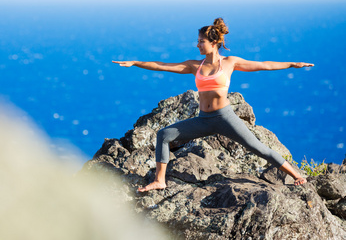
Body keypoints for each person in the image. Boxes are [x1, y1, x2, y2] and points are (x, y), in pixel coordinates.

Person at [113, 18, 314, 192]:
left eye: (201, 41)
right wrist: (136, 62)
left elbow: (263, 65)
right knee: (163, 135)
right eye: (198, 41)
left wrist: (291, 64)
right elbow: (163, 66)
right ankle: (159, 181)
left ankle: (296, 175)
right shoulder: (194, 65)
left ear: (214, 42)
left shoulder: (230, 63)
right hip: (203, 120)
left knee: (258, 148)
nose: (198, 45)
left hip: (225, 118)